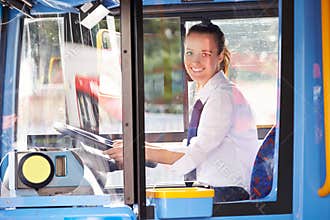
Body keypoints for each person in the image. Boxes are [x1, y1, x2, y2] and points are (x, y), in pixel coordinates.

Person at [104, 21, 259, 202]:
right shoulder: (209, 92)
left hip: (229, 195)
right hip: (214, 190)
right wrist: (138, 148)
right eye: (189, 53)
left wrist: (137, 152)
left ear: (220, 56)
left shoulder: (222, 97)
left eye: (205, 54)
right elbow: (194, 147)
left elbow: (196, 152)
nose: (195, 61)